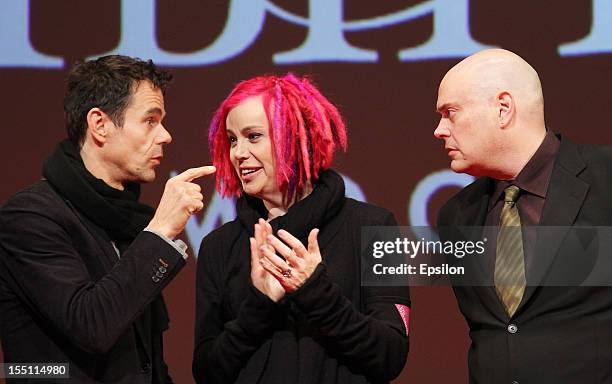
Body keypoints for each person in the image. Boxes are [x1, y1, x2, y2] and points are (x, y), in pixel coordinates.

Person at [0, 55, 215, 383]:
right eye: (150, 120)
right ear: (99, 124)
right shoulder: (29, 217)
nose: (166, 136)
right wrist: (159, 232)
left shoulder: (125, 220)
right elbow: (91, 325)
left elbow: (147, 363)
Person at [192, 74, 410, 383]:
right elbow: (207, 372)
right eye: (232, 139)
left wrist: (315, 292)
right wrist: (259, 306)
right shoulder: (219, 245)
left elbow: (390, 355)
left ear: (296, 137)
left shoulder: (374, 226)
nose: (238, 153)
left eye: (253, 136)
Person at [435, 48, 612, 383]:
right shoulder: (456, 215)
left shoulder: (606, 179)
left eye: (450, 113)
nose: (440, 130)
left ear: (503, 109)